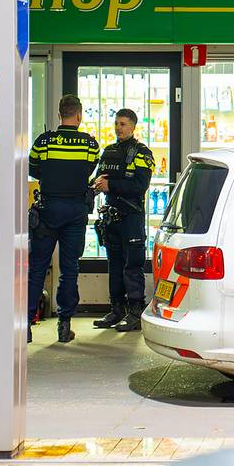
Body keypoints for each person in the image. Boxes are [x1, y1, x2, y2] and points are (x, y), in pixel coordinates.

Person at [28, 95, 99, 344]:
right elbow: (90, 169)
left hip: (47, 210)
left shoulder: (44, 141)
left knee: (37, 268)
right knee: (69, 270)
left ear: (59, 115)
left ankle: (25, 325)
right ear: (79, 115)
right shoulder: (90, 144)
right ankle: (64, 324)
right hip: (75, 212)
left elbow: (33, 168)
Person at [91, 108, 155, 332]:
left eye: (123, 124)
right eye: (117, 123)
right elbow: (98, 177)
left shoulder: (142, 153)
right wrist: (96, 185)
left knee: (132, 265)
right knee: (115, 264)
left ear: (134, 126)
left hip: (132, 217)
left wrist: (112, 186)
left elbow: (140, 185)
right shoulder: (108, 151)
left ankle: (135, 312)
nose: (119, 128)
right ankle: (116, 310)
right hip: (111, 217)